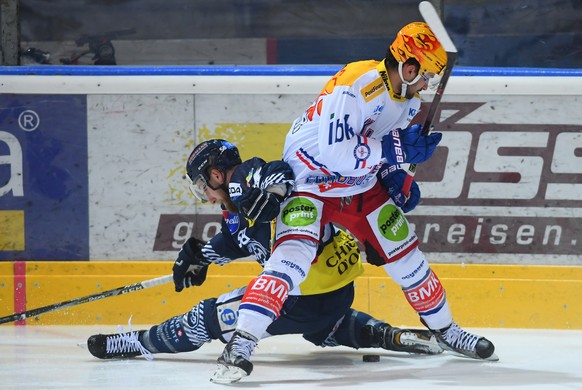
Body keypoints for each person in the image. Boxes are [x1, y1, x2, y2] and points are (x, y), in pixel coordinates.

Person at [214, 22, 497, 382]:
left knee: (406, 257)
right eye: (426, 75)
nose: (427, 84)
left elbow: (374, 148)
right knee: (291, 262)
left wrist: (392, 172)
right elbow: (337, 153)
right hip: (310, 180)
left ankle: (447, 331)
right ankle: (240, 344)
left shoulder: (409, 99)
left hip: (358, 184)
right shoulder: (356, 84)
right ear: (409, 69)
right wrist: (396, 149)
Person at [86, 139, 441, 377]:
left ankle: (136, 343)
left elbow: (275, 171)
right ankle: (386, 335)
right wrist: (200, 257)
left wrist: (273, 190)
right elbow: (236, 240)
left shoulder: (243, 179)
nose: (205, 196)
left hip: (304, 293)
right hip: (332, 294)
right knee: (321, 329)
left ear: (215, 174)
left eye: (202, 186)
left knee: (205, 317)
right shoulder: (234, 209)